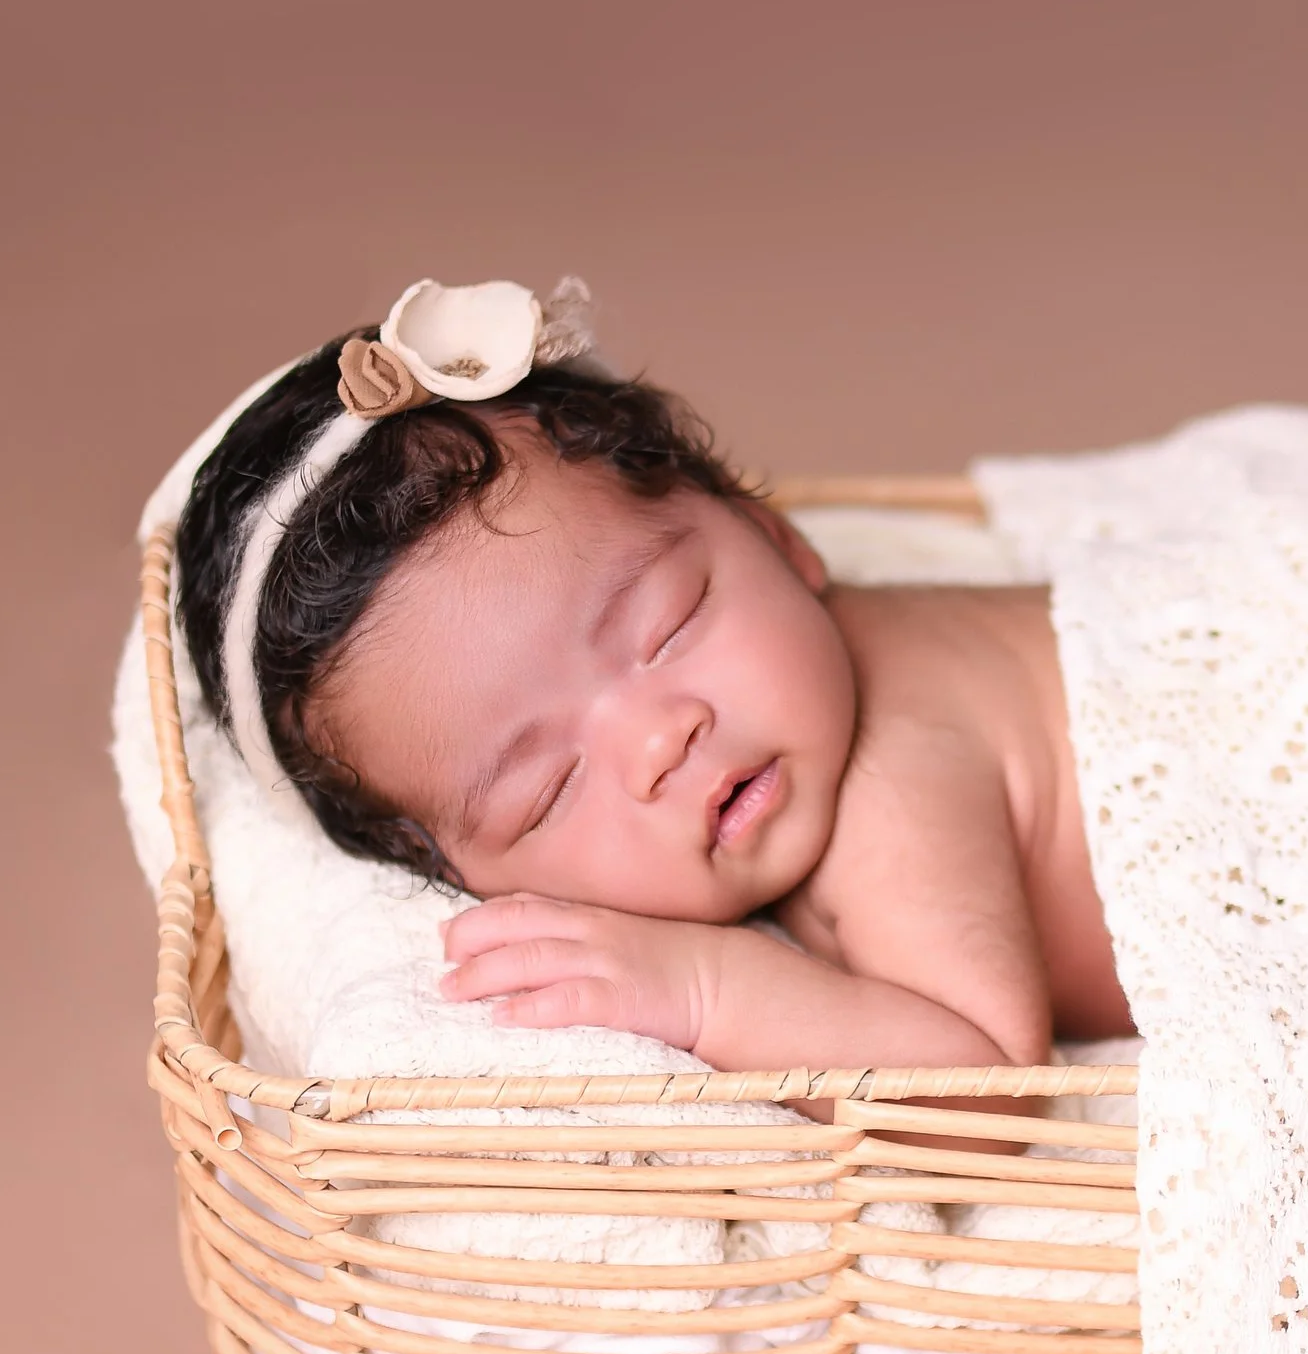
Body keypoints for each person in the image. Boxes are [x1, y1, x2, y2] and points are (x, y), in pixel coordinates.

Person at [172, 279, 1133, 1075]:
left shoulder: (892, 784)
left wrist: (702, 989)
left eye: (667, 626)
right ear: (455, 878)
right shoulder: (798, 712)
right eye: (549, 789)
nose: (659, 740)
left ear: (773, 534)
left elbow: (986, 1086)